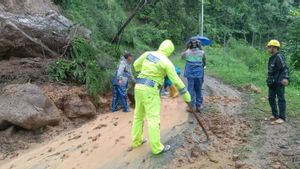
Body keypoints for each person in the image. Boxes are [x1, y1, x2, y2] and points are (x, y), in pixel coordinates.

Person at [131, 40, 191, 155]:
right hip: (150, 89)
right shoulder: (166, 62)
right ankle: (157, 148)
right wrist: (186, 95)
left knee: (138, 115)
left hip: (138, 87)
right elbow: (176, 81)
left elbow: (135, 66)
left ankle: (136, 141)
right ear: (169, 51)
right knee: (153, 118)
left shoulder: (148, 54)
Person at [266, 40, 289, 125]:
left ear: (274, 47)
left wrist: (285, 78)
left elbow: (285, 68)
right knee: (271, 98)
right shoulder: (272, 57)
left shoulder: (279, 56)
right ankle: (275, 115)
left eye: (269, 47)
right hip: (272, 82)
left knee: (281, 99)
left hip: (279, 82)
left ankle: (282, 117)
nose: (268, 49)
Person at [182, 37, 206, 113]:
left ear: (189, 44)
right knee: (198, 89)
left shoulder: (187, 52)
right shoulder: (202, 52)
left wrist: (186, 48)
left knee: (190, 90)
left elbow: (182, 57)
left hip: (190, 74)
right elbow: (204, 62)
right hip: (199, 74)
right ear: (198, 44)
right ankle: (199, 106)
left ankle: (191, 107)